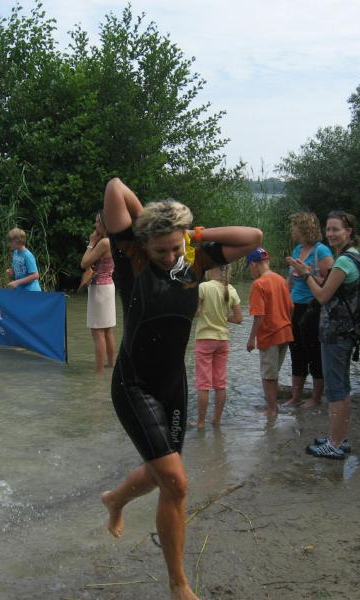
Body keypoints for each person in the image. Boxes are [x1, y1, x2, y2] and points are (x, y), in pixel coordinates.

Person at [98, 177, 261, 600]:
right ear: (144, 245)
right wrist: (147, 222)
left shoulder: (193, 259)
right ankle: (178, 584)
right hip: (134, 385)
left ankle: (115, 499)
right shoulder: (132, 257)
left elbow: (253, 237)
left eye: (176, 247)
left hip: (173, 386)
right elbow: (115, 188)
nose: (170, 257)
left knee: (163, 477)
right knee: (177, 482)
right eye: (162, 250)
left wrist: (193, 234)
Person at [292, 211, 360, 459]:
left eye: (336, 229)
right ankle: (339, 438)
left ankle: (334, 444)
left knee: (336, 390)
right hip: (345, 332)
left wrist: (306, 274)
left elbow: (322, 296)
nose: (331, 234)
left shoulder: (343, 263)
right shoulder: (353, 256)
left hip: (336, 333)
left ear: (348, 232)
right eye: (329, 229)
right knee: (342, 387)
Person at [284, 212, 333, 409]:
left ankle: (316, 398)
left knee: (313, 352)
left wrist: (308, 273)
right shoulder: (297, 250)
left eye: (294, 226)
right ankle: (295, 397)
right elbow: (290, 281)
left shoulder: (322, 251)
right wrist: (283, 301)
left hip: (314, 308)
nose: (292, 230)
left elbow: (330, 284)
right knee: (296, 352)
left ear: (304, 229)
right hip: (295, 307)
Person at [246, 247, 294, 419]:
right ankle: (274, 407)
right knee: (273, 373)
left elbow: (259, 315)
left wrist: (251, 339)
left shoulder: (258, 284)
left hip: (269, 335)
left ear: (254, 264)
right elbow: (291, 306)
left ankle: (271, 410)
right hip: (285, 332)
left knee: (267, 376)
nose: (251, 271)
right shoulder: (281, 280)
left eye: (249, 267)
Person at [194, 265, 243, 429]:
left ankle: (201, 422)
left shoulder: (203, 287)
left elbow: (195, 312)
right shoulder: (231, 289)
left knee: (203, 384)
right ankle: (216, 420)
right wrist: (223, 317)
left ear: (211, 270)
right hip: (223, 340)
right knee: (220, 384)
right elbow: (239, 319)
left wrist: (202, 312)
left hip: (205, 339)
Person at [80, 211, 116, 372]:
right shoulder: (113, 240)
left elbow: (84, 263)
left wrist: (91, 243)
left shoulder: (103, 243)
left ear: (104, 224)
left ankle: (98, 373)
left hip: (99, 289)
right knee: (108, 330)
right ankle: (111, 365)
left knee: (97, 332)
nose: (95, 225)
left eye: (97, 222)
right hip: (108, 286)